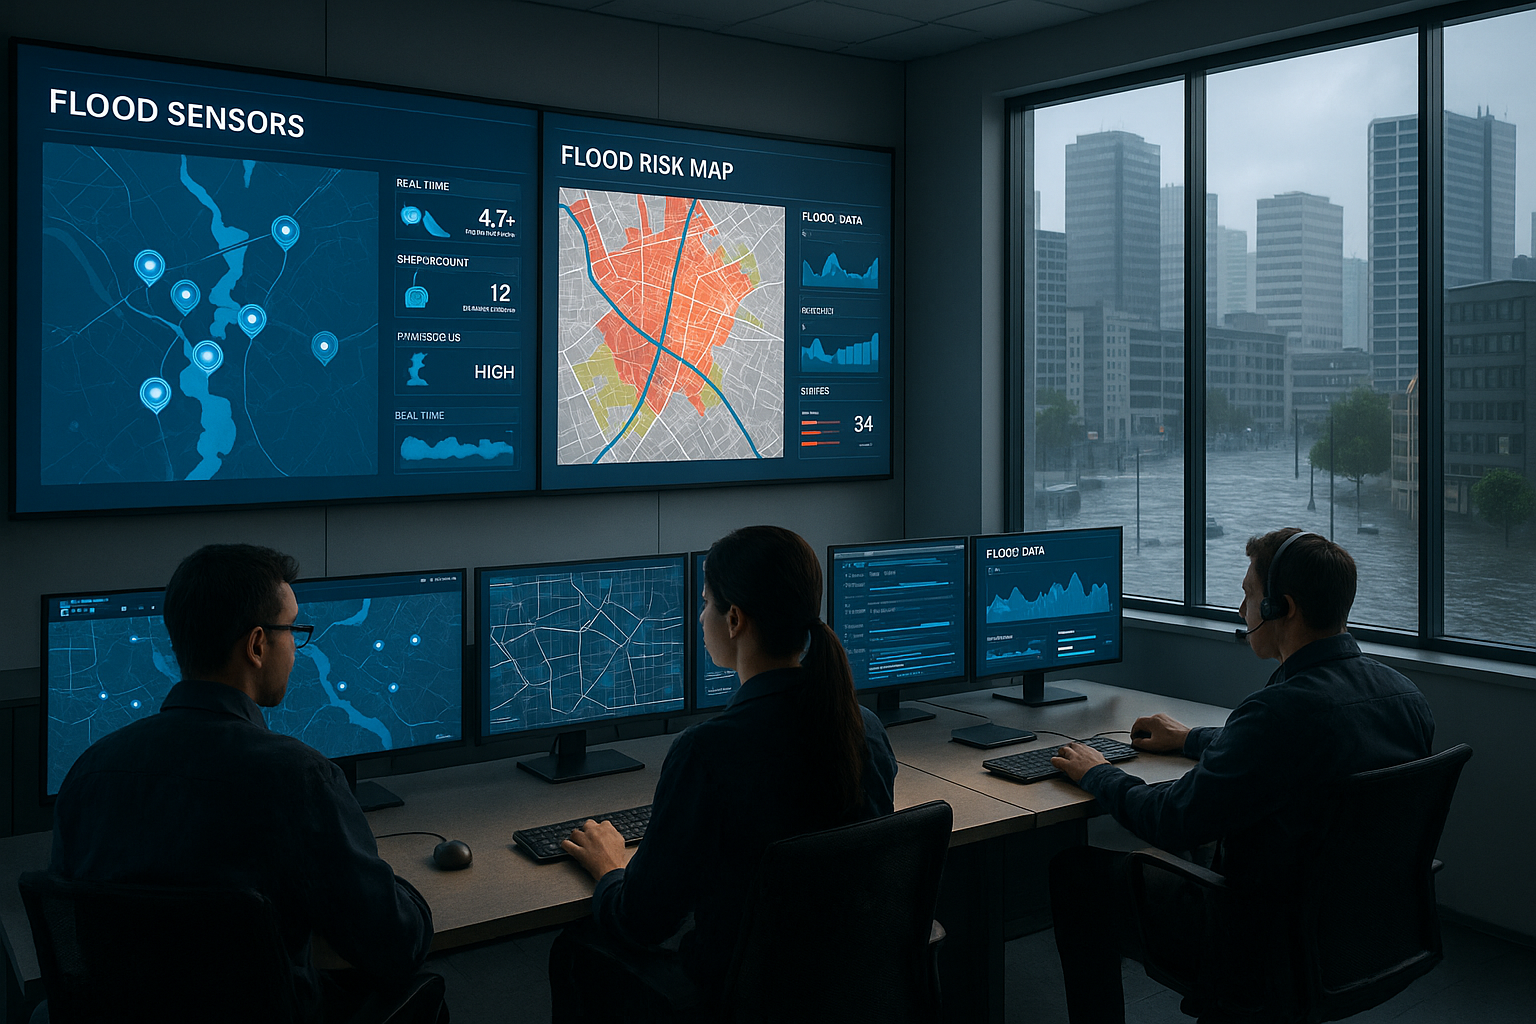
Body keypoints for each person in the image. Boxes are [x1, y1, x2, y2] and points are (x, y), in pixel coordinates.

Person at [1047, 527, 1435, 1024]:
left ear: (1282, 608)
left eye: (1249, 596)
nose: (1240, 611)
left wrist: (1098, 773)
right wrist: (1190, 738)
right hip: (1359, 928)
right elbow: (1290, 751)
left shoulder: (1277, 714)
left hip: (1259, 940)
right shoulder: (1406, 699)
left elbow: (1173, 820)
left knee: (1076, 873)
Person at [49, 544, 439, 1024]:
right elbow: (394, 944)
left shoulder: (87, 774)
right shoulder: (297, 779)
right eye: (293, 630)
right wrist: (394, 887)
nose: (297, 646)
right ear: (256, 645)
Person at [549, 525, 898, 1021]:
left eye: (707, 602)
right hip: (843, 990)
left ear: (734, 619)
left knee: (574, 947)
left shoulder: (706, 752)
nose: (700, 616)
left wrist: (609, 869)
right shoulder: (865, 729)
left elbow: (641, 922)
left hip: (738, 999)